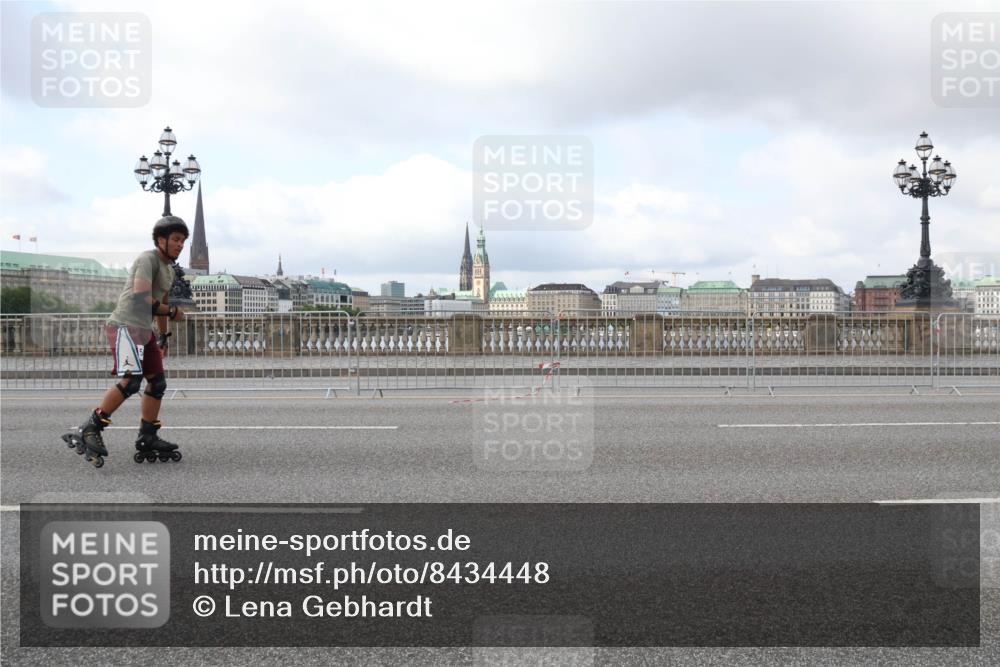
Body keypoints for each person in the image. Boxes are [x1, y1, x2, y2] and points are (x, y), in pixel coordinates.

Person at [63, 216, 189, 467]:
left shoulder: (167, 270)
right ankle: (89, 428)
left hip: (144, 329)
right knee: (131, 381)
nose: (180, 245)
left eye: (183, 241)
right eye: (175, 239)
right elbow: (143, 298)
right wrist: (173, 313)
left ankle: (148, 437)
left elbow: (161, 302)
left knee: (158, 382)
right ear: (160, 240)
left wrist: (164, 337)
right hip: (124, 326)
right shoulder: (147, 259)